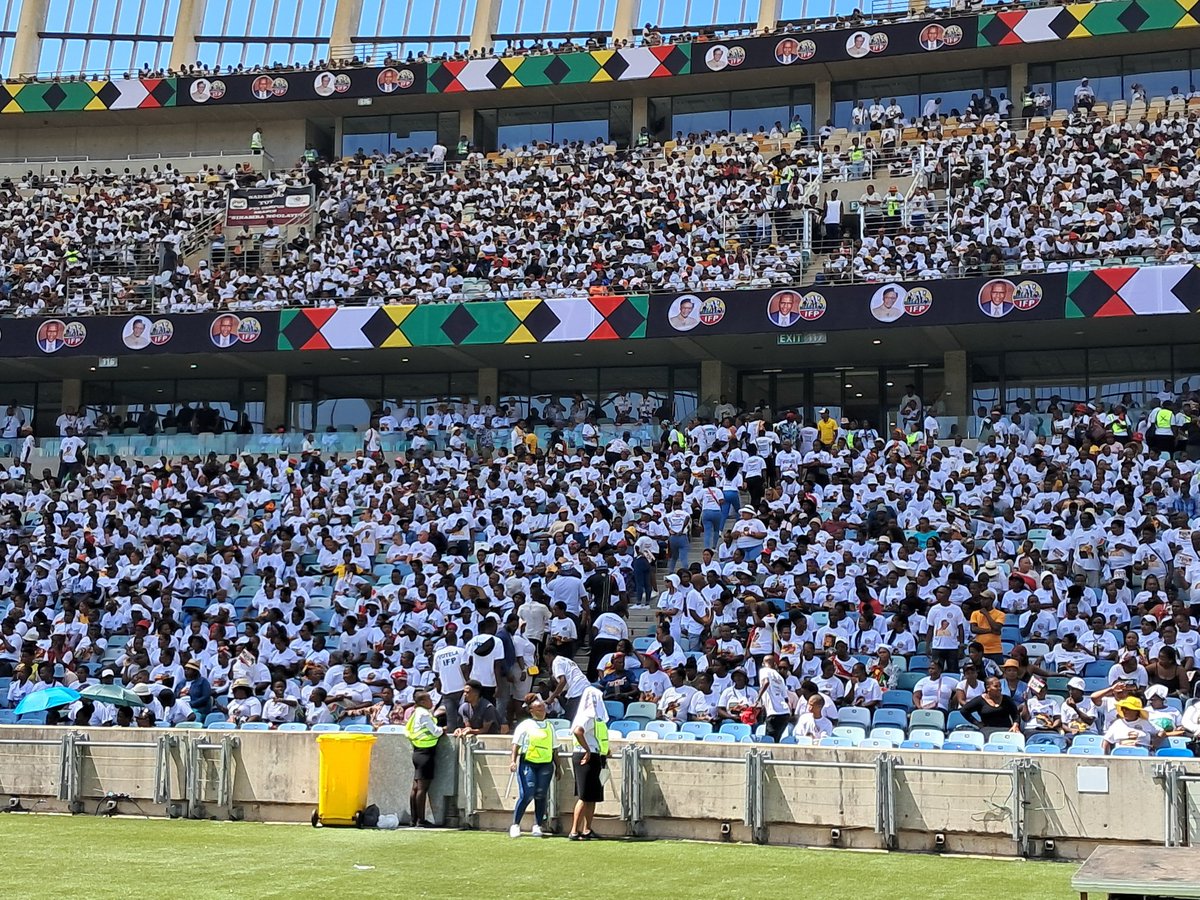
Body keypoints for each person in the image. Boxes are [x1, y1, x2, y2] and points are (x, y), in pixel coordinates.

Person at [508, 694, 556, 838]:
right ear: (531, 711)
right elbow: (516, 744)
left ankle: (537, 825)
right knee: (527, 793)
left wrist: (558, 766)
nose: (542, 710)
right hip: (528, 762)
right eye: (539, 708)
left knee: (541, 794)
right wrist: (513, 761)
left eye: (543, 707)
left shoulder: (550, 726)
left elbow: (555, 747)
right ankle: (515, 824)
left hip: (546, 764)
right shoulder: (525, 725)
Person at [569, 684, 609, 841]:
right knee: (584, 795)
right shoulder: (586, 716)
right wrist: (587, 749)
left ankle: (586, 829)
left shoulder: (594, 717)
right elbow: (578, 731)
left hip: (595, 754)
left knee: (592, 795)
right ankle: (574, 830)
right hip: (585, 756)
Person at [406, 690, 443, 827]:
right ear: (422, 702)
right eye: (428, 699)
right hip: (425, 753)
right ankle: (421, 820)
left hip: (418, 752)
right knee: (422, 788)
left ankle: (413, 819)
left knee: (415, 787)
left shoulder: (415, 713)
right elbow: (435, 731)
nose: (431, 701)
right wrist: (442, 729)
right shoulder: (424, 714)